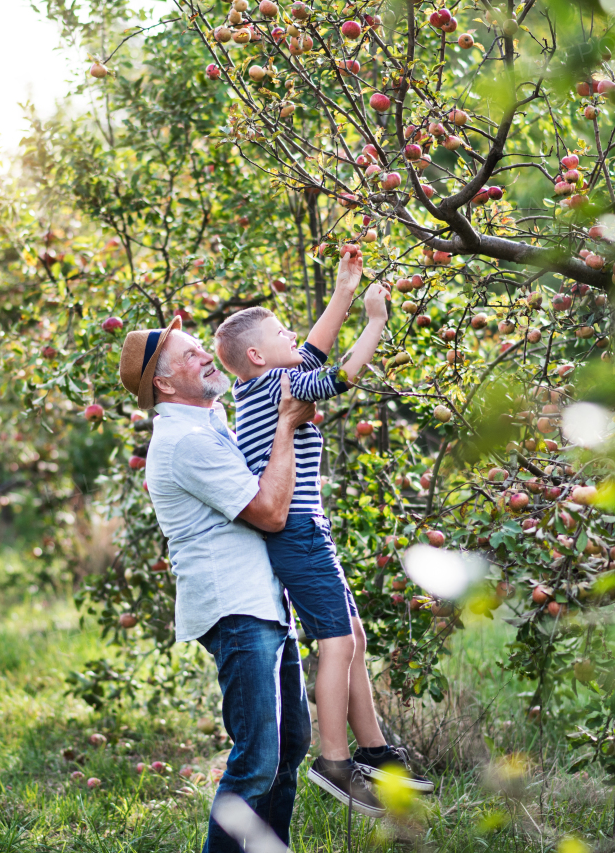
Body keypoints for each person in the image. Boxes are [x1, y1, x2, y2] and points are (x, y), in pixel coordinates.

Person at [212, 250, 433, 817]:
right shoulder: (275, 387)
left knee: (351, 634)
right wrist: (375, 320)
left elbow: (312, 349)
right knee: (336, 640)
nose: (296, 336)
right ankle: (335, 761)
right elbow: (343, 373)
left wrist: (342, 289)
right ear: (258, 354)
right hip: (300, 534)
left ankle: (377, 750)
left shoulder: (259, 386)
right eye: (281, 330)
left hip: (309, 532)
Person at [118, 317, 316, 853]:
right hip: (236, 610)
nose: (207, 357)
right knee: (256, 761)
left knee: (290, 745)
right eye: (191, 355)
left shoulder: (210, 420)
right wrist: (286, 425)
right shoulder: (183, 442)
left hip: (265, 604)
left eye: (203, 348)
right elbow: (271, 513)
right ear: (163, 384)